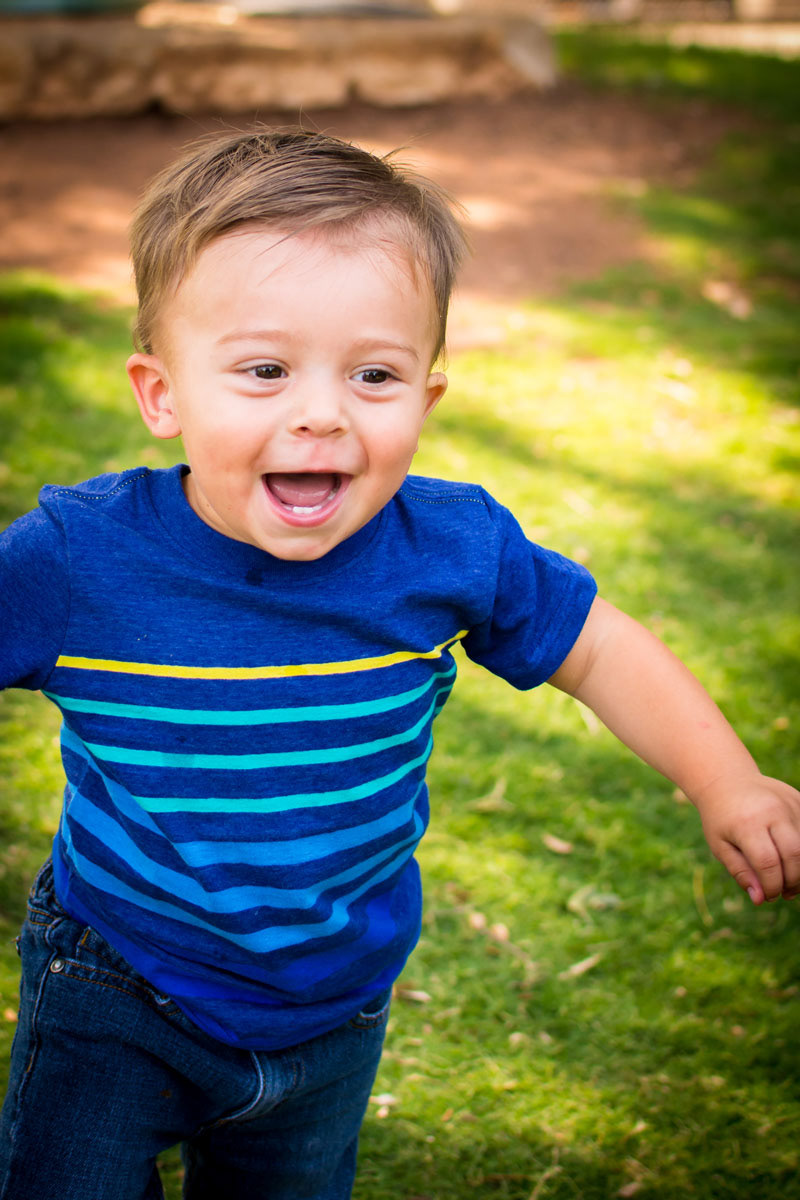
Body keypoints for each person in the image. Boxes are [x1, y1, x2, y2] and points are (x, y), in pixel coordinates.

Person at [0, 126, 797, 1200]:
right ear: (162, 394)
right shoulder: (78, 559)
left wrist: (725, 779)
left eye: (373, 374)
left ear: (425, 399)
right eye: (265, 370)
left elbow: (599, 645)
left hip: (335, 1000)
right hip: (118, 982)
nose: (320, 413)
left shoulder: (450, 549)